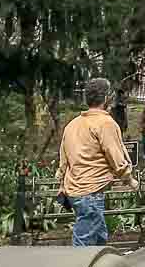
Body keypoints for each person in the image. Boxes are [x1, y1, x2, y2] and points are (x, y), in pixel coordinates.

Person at [57, 77, 136, 247]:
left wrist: (62, 185)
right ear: (107, 98)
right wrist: (130, 180)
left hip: (76, 191)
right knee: (84, 243)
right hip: (90, 191)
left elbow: (63, 161)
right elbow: (115, 156)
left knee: (99, 237)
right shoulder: (105, 123)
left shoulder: (72, 125)